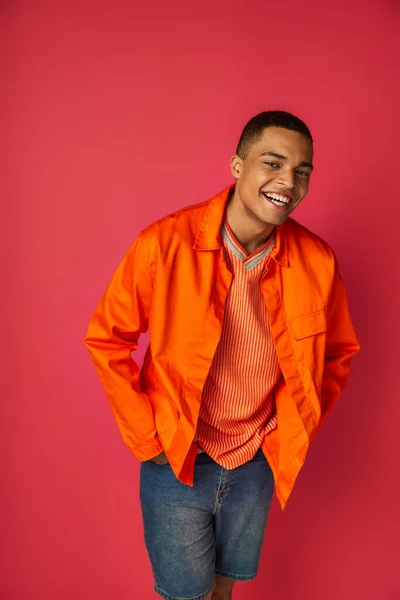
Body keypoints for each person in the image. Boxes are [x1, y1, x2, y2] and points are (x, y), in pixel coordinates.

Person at [84, 110, 360, 600]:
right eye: (272, 163)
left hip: (256, 459)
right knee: (185, 596)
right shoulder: (163, 243)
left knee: (225, 591)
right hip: (177, 457)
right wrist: (149, 435)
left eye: (302, 171)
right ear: (237, 166)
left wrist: (291, 425)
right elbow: (106, 337)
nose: (288, 182)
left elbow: (338, 352)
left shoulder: (318, 261)